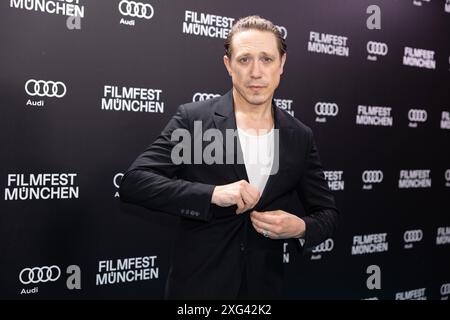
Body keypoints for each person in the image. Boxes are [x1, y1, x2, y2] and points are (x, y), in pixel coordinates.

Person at [119, 15, 339, 299]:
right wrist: (211, 194)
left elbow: (328, 214)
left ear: (282, 65)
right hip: (198, 290)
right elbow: (135, 182)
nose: (256, 72)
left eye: (267, 59)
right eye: (245, 59)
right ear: (228, 65)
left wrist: (300, 228)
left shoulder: (299, 135)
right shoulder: (195, 120)